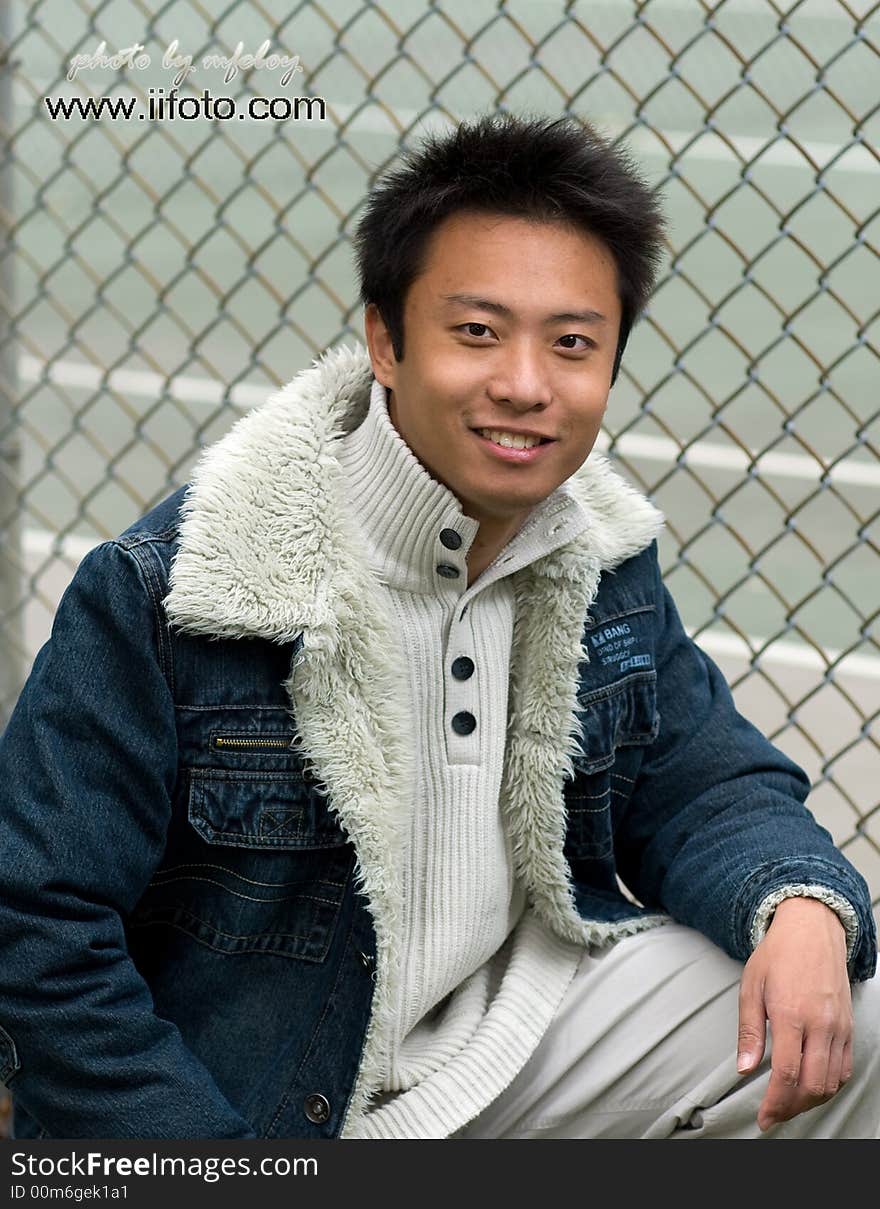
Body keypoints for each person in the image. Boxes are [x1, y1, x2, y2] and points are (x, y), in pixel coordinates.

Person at [0, 113, 877, 1142]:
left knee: (854, 1014)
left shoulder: (596, 551)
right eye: (476, 332)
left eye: (572, 344)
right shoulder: (182, 591)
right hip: (268, 1099)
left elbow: (702, 781)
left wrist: (801, 903)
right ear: (384, 339)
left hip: (518, 1037)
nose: (524, 383)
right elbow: (34, 922)